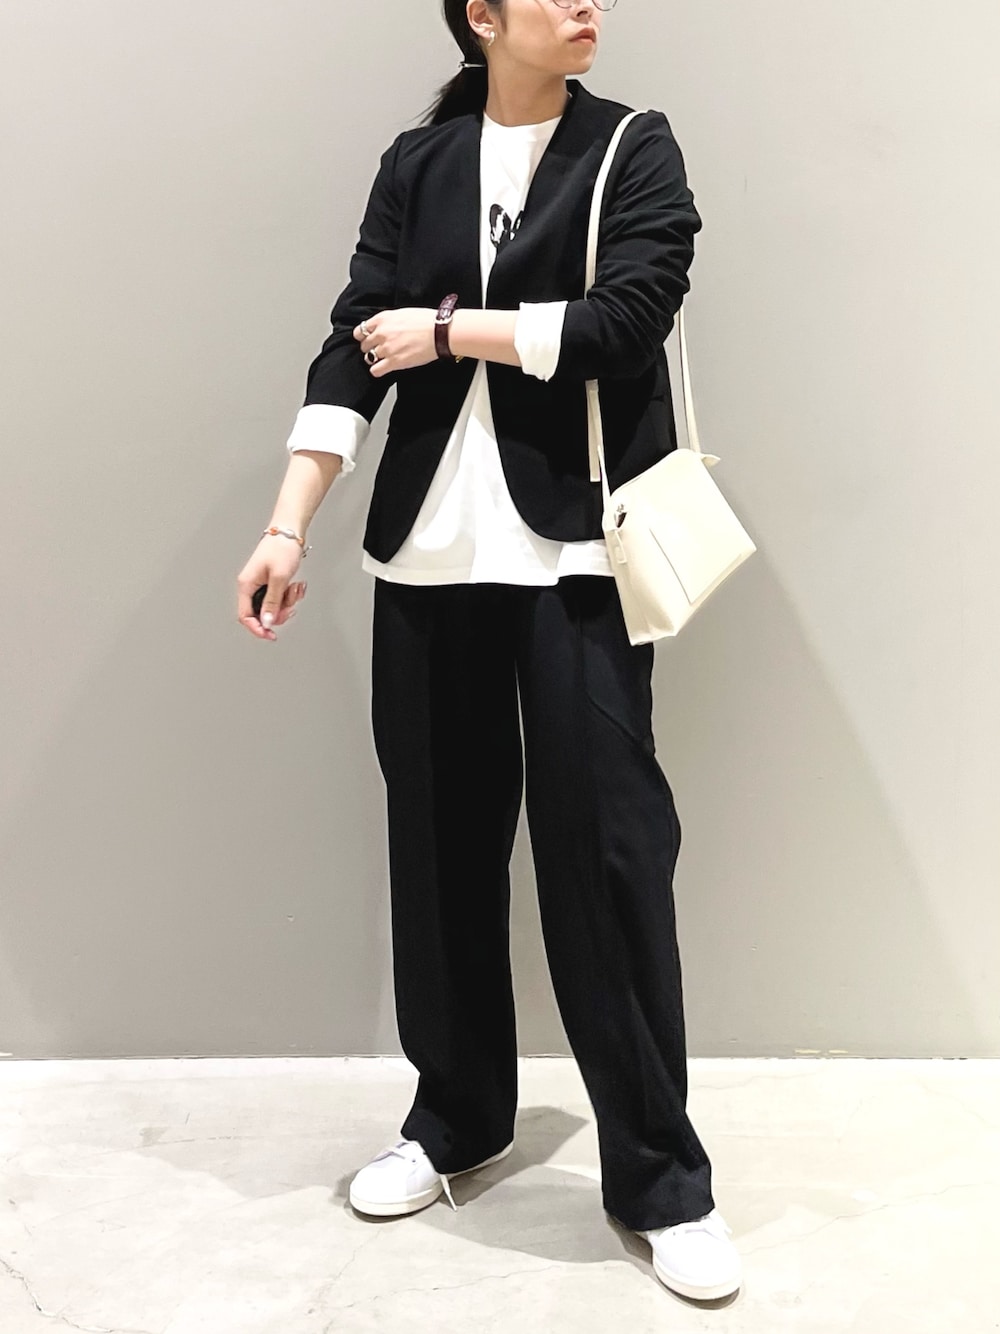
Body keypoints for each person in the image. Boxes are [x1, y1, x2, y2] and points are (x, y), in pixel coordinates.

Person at [236, 0, 742, 1304]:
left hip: (575, 556)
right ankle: (456, 1117)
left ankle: (662, 1181)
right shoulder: (419, 164)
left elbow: (626, 318)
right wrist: (288, 522)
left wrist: (453, 329)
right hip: (426, 559)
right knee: (440, 852)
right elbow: (356, 335)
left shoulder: (632, 145)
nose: (588, 7)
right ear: (482, 16)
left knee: (608, 858)